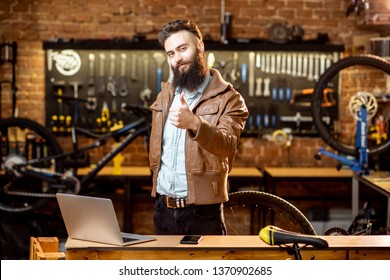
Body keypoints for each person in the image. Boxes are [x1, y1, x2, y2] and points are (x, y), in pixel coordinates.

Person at [148, 19, 248, 235]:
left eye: (183, 49)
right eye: (171, 53)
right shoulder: (166, 95)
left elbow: (226, 145)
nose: (177, 58)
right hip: (162, 209)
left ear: (200, 46)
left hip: (202, 213)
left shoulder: (229, 99)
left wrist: (195, 123)